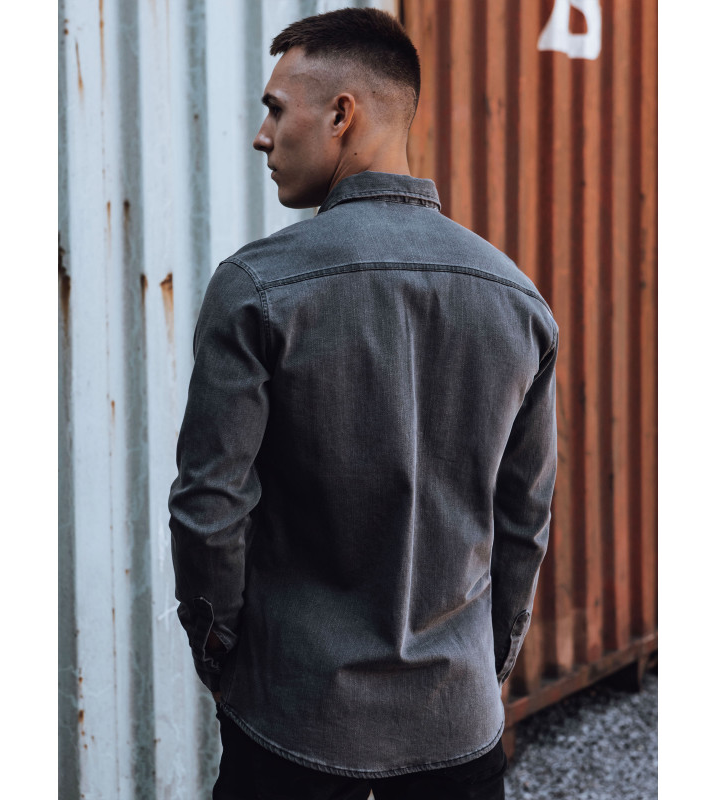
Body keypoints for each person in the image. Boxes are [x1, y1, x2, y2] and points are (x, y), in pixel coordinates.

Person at [168, 8, 558, 799]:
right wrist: (482, 670)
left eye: (276, 109)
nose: (261, 136)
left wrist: (228, 661)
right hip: (457, 726)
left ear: (341, 114)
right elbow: (523, 521)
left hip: (294, 724)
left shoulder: (257, 288)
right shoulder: (517, 300)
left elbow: (209, 509)